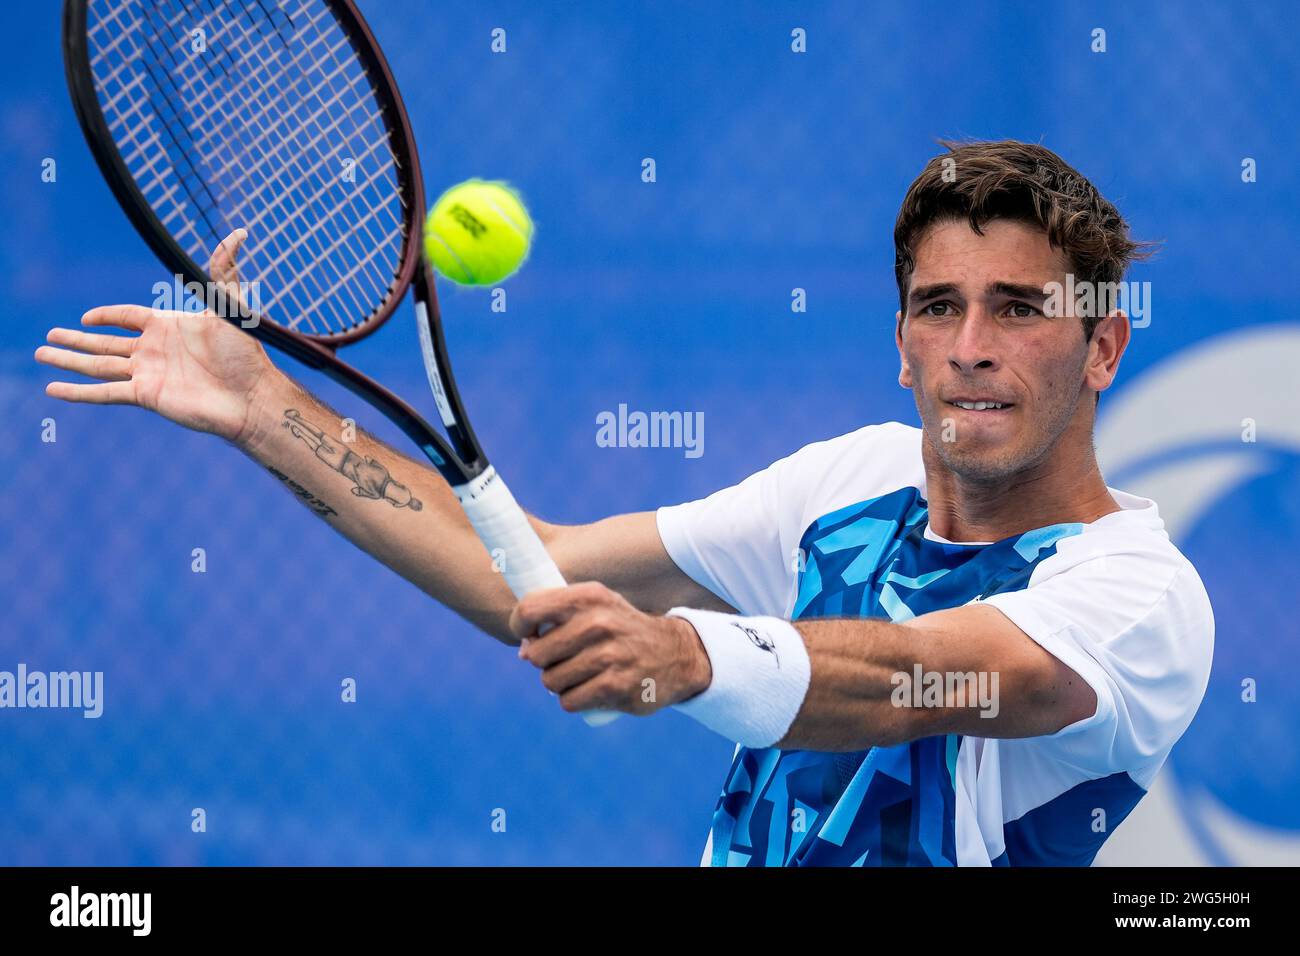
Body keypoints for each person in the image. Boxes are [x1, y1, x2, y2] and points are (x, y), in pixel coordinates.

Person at [36, 140, 1213, 866]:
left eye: (1017, 309)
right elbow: (527, 575)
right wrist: (261, 405)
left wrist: (691, 656)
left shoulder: (1137, 595)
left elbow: (924, 681)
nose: (969, 347)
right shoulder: (848, 481)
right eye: (935, 306)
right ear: (899, 340)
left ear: (1102, 346)